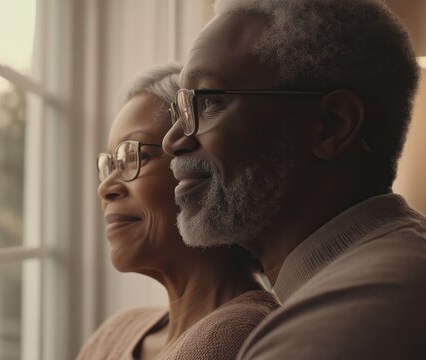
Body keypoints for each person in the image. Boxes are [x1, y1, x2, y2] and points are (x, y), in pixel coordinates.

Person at [162, 0, 426, 359]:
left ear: (332, 126)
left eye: (209, 102)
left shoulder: (343, 323)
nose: (172, 140)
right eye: (180, 108)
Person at [77, 64, 279, 360]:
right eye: (110, 163)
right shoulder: (117, 331)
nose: (105, 188)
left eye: (135, 156)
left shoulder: (240, 336)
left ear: (206, 169)